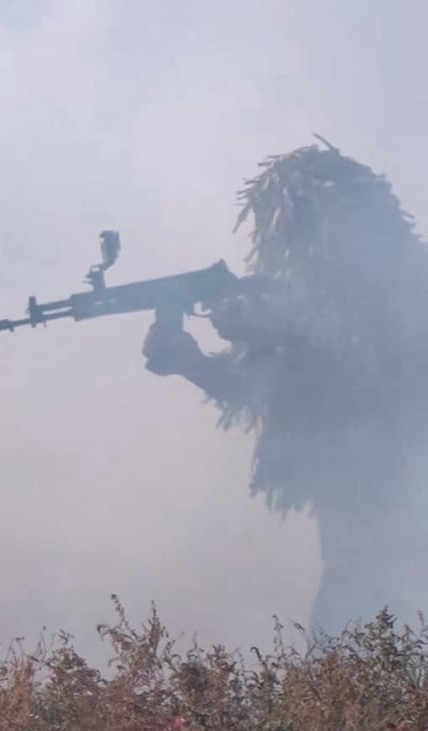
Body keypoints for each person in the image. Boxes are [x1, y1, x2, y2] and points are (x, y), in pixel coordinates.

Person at [141, 140, 428, 638]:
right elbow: (278, 389)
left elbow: (368, 370)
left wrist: (267, 332)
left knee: (360, 624)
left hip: (402, 491)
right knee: (355, 626)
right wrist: (189, 361)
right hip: (354, 498)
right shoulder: (299, 294)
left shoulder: (409, 282)